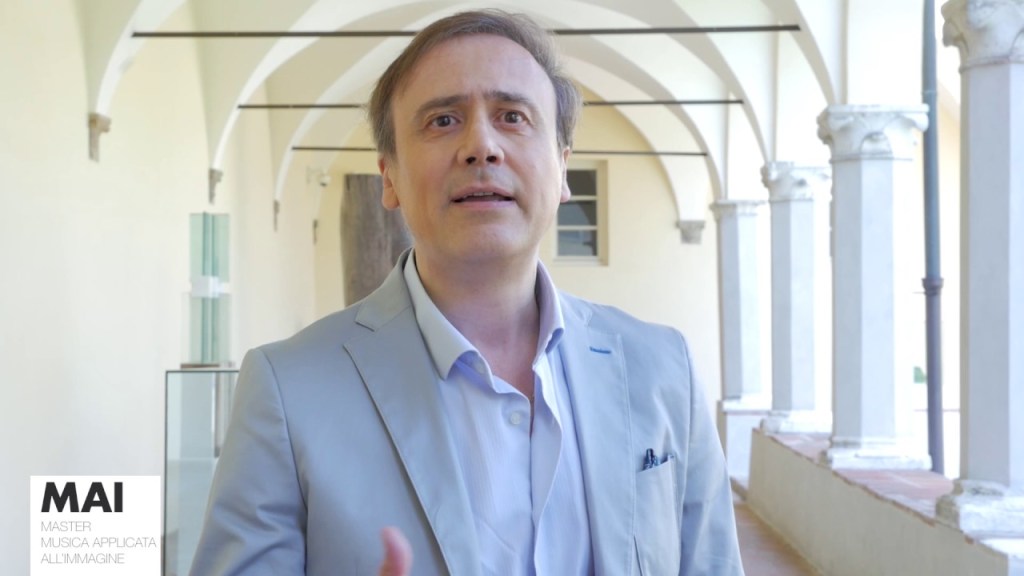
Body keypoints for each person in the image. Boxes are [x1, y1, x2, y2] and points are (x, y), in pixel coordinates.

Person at [190, 9, 743, 576]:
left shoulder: (663, 369)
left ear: (562, 169)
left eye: (513, 116)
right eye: (443, 120)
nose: (481, 146)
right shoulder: (289, 391)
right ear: (389, 177)